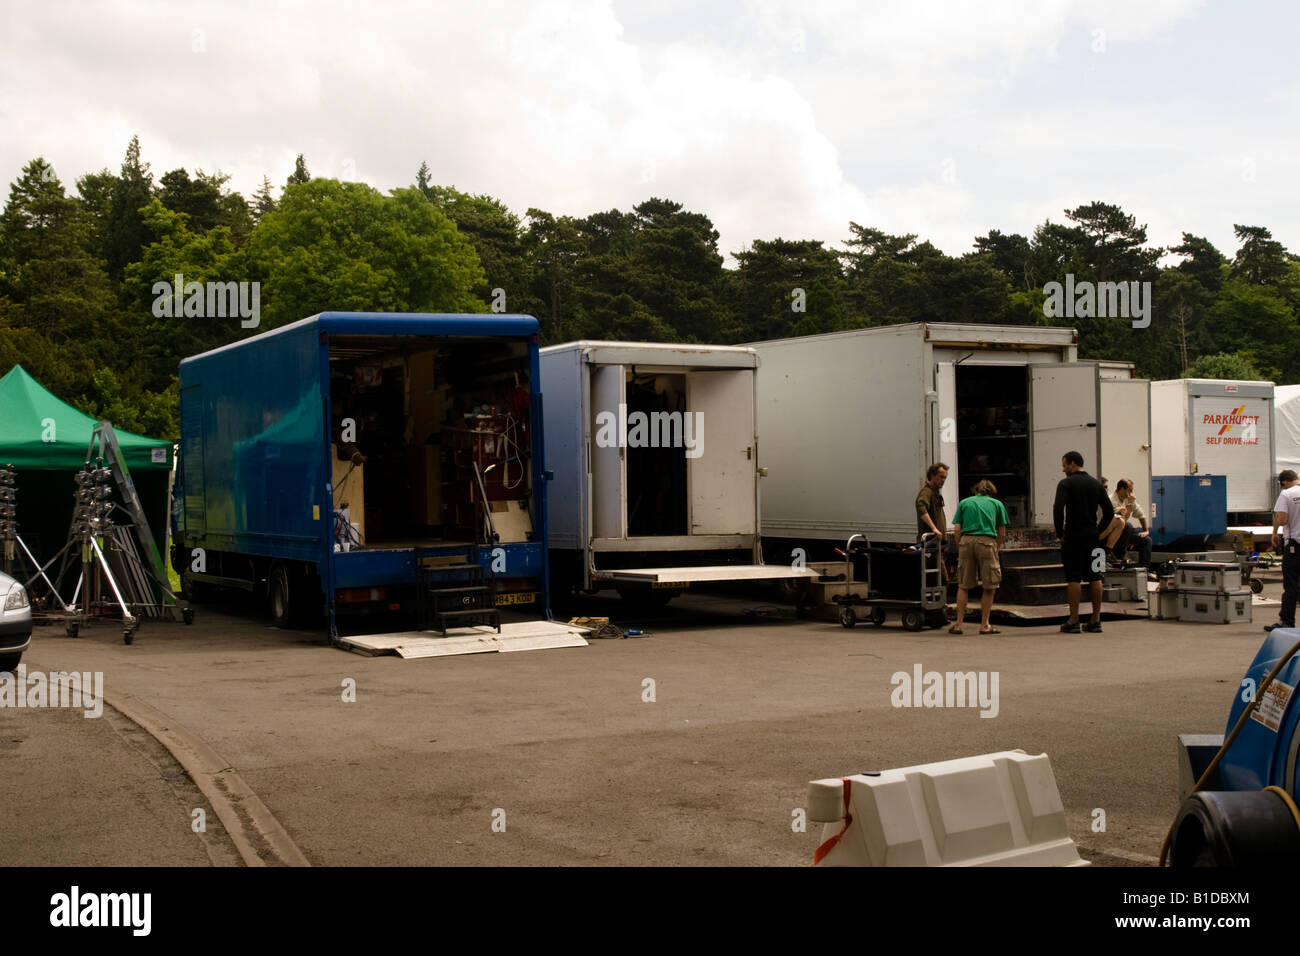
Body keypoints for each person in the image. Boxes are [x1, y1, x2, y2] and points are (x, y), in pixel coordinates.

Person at [1054, 450, 1113, 633]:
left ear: (1072, 463)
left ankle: (1073, 620)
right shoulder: (1096, 484)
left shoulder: (1065, 484)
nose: (1063, 469)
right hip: (1094, 538)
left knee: (1074, 577)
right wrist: (1099, 530)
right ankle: (1096, 619)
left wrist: (1060, 533)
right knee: (1096, 577)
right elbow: (1109, 511)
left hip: (1073, 537)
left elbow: (1058, 509)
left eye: (1064, 465)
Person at [948, 479, 1009, 635]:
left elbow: (957, 528)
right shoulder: (997, 504)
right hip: (987, 541)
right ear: (991, 491)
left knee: (963, 585)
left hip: (966, 541)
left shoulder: (965, 503)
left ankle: (958, 624)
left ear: (975, 490)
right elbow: (1001, 531)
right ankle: (984, 624)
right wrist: (996, 546)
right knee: (989, 585)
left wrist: (960, 543)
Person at [1265, 470, 1300, 632]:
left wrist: (1274, 532)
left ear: (1284, 482)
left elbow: (1283, 518)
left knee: (1291, 584)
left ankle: (1286, 622)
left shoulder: (1286, 494)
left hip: (1295, 545)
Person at [1109, 478, 1152, 567]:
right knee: (1128, 526)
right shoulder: (1111, 501)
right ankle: (1120, 556)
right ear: (1122, 489)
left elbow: (1141, 514)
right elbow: (1122, 522)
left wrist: (1146, 530)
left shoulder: (1128, 498)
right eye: (1130, 490)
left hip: (1125, 532)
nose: (1132, 494)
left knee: (1147, 540)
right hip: (1113, 533)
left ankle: (1144, 569)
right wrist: (1129, 504)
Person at [915, 463, 948, 539]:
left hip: (938, 541)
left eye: (945, 478)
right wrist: (934, 528)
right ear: (932, 475)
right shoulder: (927, 492)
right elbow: (921, 507)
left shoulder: (935, 492)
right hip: (930, 542)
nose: (943, 480)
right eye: (941, 477)